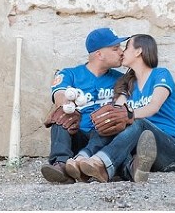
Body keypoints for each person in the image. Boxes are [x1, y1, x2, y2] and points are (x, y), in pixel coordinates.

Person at [73, 34, 175, 183]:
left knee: (137, 123)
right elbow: (117, 113)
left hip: (172, 148)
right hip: (145, 151)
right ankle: (82, 159)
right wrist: (113, 118)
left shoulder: (160, 74)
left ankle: (101, 162)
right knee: (112, 124)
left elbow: (154, 106)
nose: (122, 52)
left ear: (138, 51)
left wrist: (129, 115)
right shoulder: (128, 84)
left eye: (126, 47)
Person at [40, 27, 128, 184]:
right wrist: (66, 105)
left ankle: (98, 167)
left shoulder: (122, 79)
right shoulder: (70, 74)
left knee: (111, 121)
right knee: (60, 117)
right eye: (115, 48)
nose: (121, 52)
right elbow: (59, 93)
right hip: (77, 134)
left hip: (104, 138)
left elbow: (143, 101)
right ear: (99, 54)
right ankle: (61, 166)